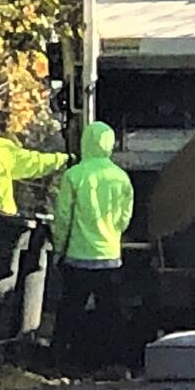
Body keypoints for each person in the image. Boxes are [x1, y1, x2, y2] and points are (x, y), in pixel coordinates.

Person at [50, 121, 134, 373]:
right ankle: (114, 362)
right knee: (111, 313)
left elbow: (63, 217)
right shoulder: (121, 177)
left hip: (77, 256)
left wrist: (59, 248)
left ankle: (61, 361)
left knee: (69, 310)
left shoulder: (74, 176)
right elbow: (124, 218)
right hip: (109, 256)